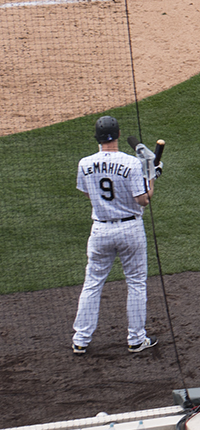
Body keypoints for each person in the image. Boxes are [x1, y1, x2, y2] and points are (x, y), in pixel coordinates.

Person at [71, 116, 158, 355]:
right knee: (136, 283)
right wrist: (151, 177)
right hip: (130, 230)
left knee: (92, 283)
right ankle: (136, 339)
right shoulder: (131, 163)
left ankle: (81, 339)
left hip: (100, 230)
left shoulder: (84, 163)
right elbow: (143, 199)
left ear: (97, 138)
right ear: (118, 134)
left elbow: (91, 195)